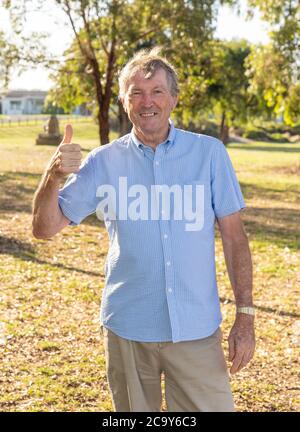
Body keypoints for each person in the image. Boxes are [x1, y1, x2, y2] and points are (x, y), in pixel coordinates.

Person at [32, 48, 255, 412]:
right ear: (123, 101)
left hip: (196, 330)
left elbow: (234, 238)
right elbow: (44, 229)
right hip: (128, 331)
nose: (146, 102)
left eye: (156, 91)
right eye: (136, 92)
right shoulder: (103, 161)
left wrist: (245, 315)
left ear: (174, 99)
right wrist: (52, 175)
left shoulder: (209, 154)